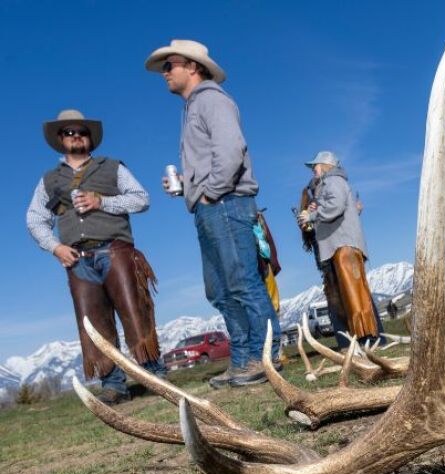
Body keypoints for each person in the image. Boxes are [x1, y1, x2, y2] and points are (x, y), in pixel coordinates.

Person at [145, 40, 280, 388]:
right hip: (212, 207)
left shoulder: (211, 99)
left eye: (169, 65)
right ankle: (241, 360)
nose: (165, 73)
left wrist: (209, 192)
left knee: (242, 283)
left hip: (226, 204)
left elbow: (231, 150)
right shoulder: (192, 107)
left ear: (192, 67)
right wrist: (189, 187)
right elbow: (213, 157)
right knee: (220, 290)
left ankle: (265, 358)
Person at [26, 109, 167, 405]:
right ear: (60, 139)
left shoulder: (112, 167)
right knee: (92, 324)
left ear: (90, 138)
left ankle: (156, 375)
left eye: (81, 132)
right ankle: (114, 385)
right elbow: (35, 219)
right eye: (69, 132)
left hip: (115, 250)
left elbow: (141, 199)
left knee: (135, 311)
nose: (76, 136)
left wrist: (102, 201)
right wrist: (55, 247)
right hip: (77, 260)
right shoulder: (49, 179)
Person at [297, 151, 384, 346]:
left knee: (354, 293)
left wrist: (311, 216)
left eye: (315, 166)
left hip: (343, 245)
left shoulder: (333, 181)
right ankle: (363, 337)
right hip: (336, 246)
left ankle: (367, 337)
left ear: (326, 165)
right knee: (350, 293)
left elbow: (335, 206)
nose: (313, 170)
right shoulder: (327, 185)